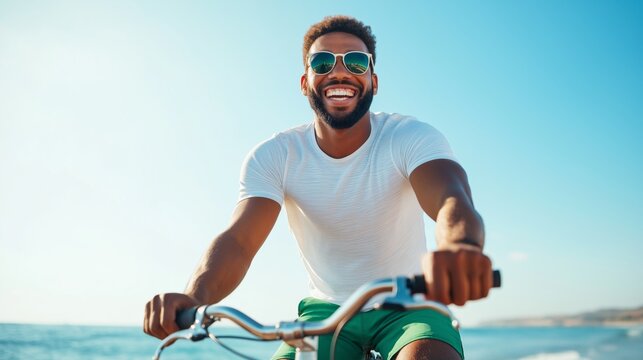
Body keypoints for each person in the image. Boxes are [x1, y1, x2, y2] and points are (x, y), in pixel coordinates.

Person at [144, 15, 494, 360]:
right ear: (305, 81)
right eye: (323, 61)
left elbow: (451, 197)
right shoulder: (275, 155)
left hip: (409, 305)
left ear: (373, 80)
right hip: (323, 313)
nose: (339, 71)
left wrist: (460, 247)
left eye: (356, 62)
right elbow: (239, 241)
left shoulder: (409, 137)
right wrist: (195, 296)